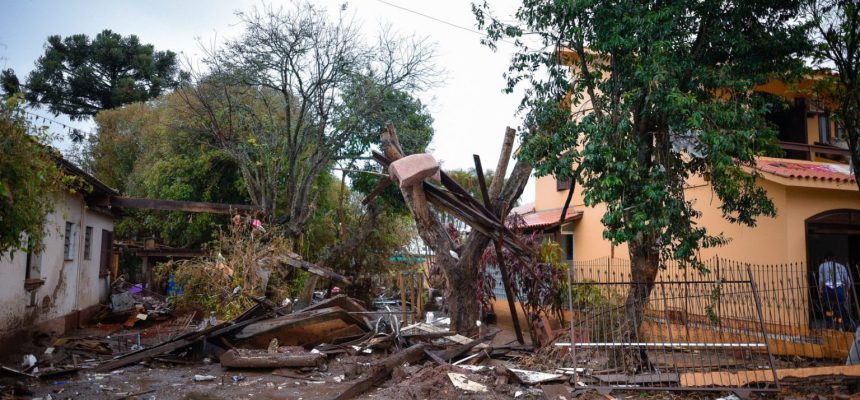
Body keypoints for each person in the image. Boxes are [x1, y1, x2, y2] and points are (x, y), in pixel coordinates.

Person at [818, 252, 852, 330]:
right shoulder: (841, 266)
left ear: (825, 259)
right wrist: (847, 290)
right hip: (840, 287)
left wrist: (820, 290)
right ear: (834, 259)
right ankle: (839, 325)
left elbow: (821, 280)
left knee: (828, 306)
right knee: (839, 306)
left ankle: (829, 325)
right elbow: (847, 280)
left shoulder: (822, 266)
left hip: (827, 288)